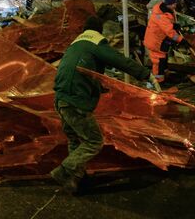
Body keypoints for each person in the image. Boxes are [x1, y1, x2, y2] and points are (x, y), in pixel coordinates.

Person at [51, 16, 161, 194]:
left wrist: (98, 87)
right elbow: (120, 61)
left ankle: (75, 181)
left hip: (61, 100)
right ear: (99, 31)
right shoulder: (95, 44)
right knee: (94, 141)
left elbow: (80, 72)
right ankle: (65, 170)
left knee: (75, 140)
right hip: (76, 101)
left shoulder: (75, 45)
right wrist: (146, 75)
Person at [143, 0, 188, 83]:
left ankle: (164, 75)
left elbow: (167, 25)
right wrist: (181, 40)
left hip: (158, 40)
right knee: (159, 61)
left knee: (163, 58)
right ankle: (158, 81)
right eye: (173, 4)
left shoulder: (164, 10)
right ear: (168, 4)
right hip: (156, 42)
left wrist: (174, 25)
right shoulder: (161, 16)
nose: (175, 6)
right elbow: (169, 32)